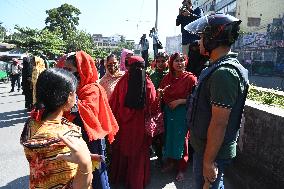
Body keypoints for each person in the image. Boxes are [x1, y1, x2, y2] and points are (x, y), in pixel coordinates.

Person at [185, 13, 249, 189]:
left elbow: (219, 123)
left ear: (214, 38)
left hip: (211, 152)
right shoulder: (215, 67)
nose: (199, 42)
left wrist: (208, 162)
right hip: (206, 149)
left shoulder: (224, 73)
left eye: (202, 37)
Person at [20, 68, 100, 189]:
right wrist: (85, 163)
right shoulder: (68, 137)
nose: (76, 95)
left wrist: (86, 155)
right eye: (74, 92)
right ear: (69, 97)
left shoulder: (32, 123)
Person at [64, 51, 119, 189]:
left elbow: (87, 113)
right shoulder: (75, 87)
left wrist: (71, 100)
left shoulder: (92, 88)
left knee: (95, 171)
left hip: (92, 138)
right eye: (65, 69)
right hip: (77, 137)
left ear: (81, 69)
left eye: (69, 70)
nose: (66, 73)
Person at [109, 56, 156, 189]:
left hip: (123, 126)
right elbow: (153, 103)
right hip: (140, 126)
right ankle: (137, 181)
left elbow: (113, 104)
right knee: (138, 154)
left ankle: (121, 177)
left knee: (123, 151)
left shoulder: (122, 82)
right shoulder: (147, 82)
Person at [159, 52, 197, 181]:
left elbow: (196, 98)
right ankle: (171, 162)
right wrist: (161, 95)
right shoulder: (167, 78)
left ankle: (182, 168)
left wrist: (180, 101)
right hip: (169, 112)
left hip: (183, 113)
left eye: (182, 60)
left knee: (182, 140)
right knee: (169, 137)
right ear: (171, 63)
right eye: (176, 61)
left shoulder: (190, 79)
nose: (180, 63)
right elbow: (162, 93)